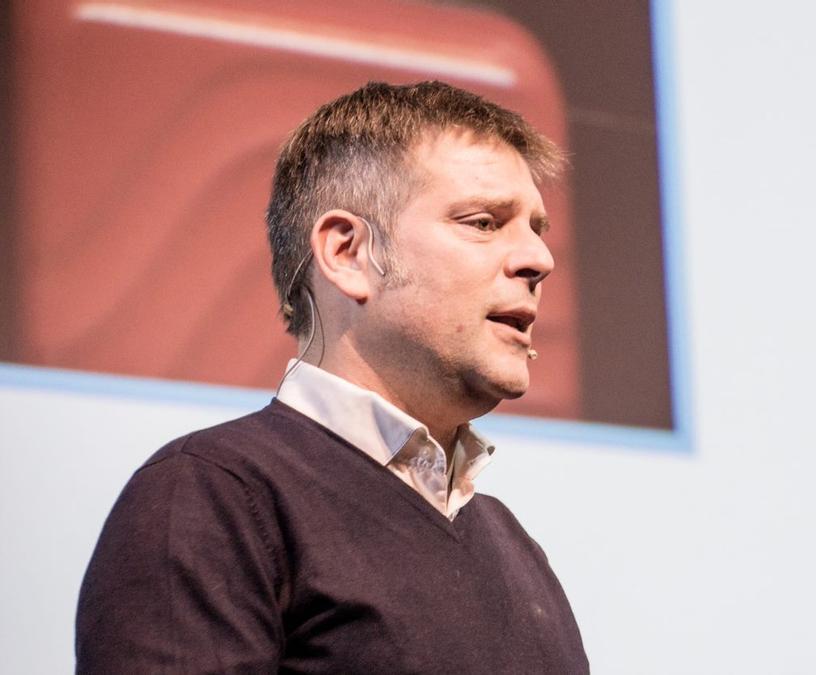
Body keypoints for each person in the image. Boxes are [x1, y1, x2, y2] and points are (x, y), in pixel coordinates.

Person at [75, 81, 589, 673]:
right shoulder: (213, 494)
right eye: (482, 222)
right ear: (347, 253)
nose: (538, 260)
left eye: (537, 229)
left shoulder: (512, 545)